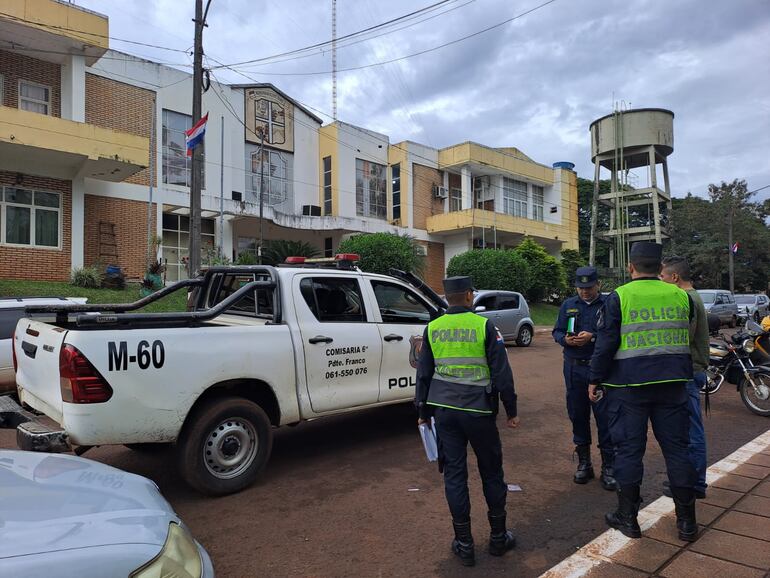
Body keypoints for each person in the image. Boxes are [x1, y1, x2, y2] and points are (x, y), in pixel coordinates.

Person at [589, 242, 699, 542]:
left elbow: (606, 343)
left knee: (628, 453)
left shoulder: (620, 297)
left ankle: (628, 519)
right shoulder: (680, 295)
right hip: (673, 386)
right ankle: (687, 523)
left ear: (631, 267)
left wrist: (594, 379)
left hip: (629, 388)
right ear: (659, 266)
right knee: (678, 451)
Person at [415, 276, 520, 567]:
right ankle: (498, 538)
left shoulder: (433, 328)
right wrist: (511, 410)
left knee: (454, 475)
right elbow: (502, 374)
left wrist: (422, 413)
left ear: (448, 297)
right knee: (491, 472)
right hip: (479, 412)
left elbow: (423, 375)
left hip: (445, 413)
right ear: (470, 295)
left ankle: (464, 544)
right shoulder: (485, 326)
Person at [553, 266, 617, 490]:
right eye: (581, 288)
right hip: (573, 369)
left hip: (599, 369)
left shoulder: (608, 304)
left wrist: (592, 338)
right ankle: (584, 463)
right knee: (578, 415)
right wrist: (565, 340)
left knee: (605, 418)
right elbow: (557, 331)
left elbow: (614, 333)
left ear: (598, 285)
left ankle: (609, 466)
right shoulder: (568, 305)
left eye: (589, 287)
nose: (585, 292)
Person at [660, 256, 709, 499]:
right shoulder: (694, 296)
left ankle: (695, 483)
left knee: (691, 432)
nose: (661, 281)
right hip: (693, 370)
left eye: (663, 277)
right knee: (689, 429)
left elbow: (682, 337)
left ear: (674, 277)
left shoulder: (687, 298)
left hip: (689, 372)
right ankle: (692, 481)